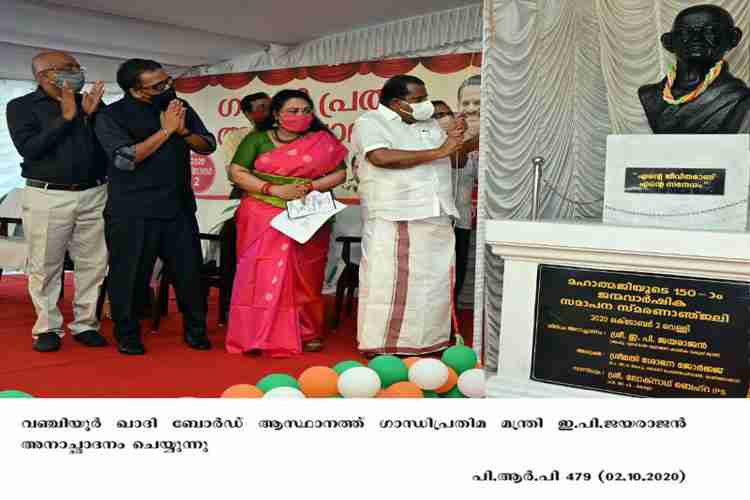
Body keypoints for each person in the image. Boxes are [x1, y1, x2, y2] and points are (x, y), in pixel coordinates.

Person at [95, 59, 216, 355]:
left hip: (178, 207)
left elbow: (208, 145)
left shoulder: (177, 104)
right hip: (133, 210)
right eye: (157, 85)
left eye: (167, 80)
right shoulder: (111, 115)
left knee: (189, 274)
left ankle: (196, 331)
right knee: (130, 276)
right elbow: (125, 158)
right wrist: (166, 131)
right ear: (135, 89)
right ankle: (128, 334)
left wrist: (184, 132)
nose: (166, 87)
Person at [225, 89, 348, 357]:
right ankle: (257, 333)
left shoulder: (322, 141)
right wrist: (272, 189)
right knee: (258, 273)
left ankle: (307, 331)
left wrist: (309, 187)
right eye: (293, 111)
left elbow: (340, 173)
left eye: (306, 111)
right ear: (277, 115)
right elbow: (236, 171)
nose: (301, 116)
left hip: (307, 212)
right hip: (261, 211)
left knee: (306, 274)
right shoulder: (257, 139)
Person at [352, 74, 467, 357]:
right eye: (418, 100)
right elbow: (380, 157)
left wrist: (457, 140)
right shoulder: (370, 122)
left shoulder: (429, 123)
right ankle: (381, 343)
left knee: (433, 280)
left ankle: (427, 341)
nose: (425, 105)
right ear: (396, 103)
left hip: (436, 211)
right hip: (395, 212)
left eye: (425, 98)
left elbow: (456, 160)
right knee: (388, 281)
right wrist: (440, 149)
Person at [6, 51, 108, 352]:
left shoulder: (89, 102)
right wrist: (65, 119)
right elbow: (29, 149)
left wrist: (90, 116)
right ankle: (47, 327)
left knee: (94, 263)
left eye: (77, 66)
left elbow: (104, 147)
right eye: (68, 68)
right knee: (45, 265)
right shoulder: (22, 107)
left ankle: (85, 324)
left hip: (95, 192)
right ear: (45, 75)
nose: (77, 71)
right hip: (47, 195)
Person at [639, 5, 750, 133]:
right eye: (685, 32)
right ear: (668, 42)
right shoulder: (650, 96)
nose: (696, 38)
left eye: (710, 31)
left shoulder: (736, 97)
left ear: (733, 38)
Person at [432, 99, 479, 311]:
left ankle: (450, 317)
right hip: (437, 221)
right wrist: (482, 134)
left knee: (458, 270)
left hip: (461, 221)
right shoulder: (431, 145)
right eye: (438, 115)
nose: (445, 118)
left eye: (447, 113)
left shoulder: (465, 144)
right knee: (437, 274)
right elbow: (454, 159)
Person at [224, 92, 271, 200]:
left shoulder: (287, 134)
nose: (270, 111)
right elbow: (235, 174)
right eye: (262, 108)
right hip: (247, 192)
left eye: (271, 107)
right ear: (248, 114)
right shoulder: (235, 137)